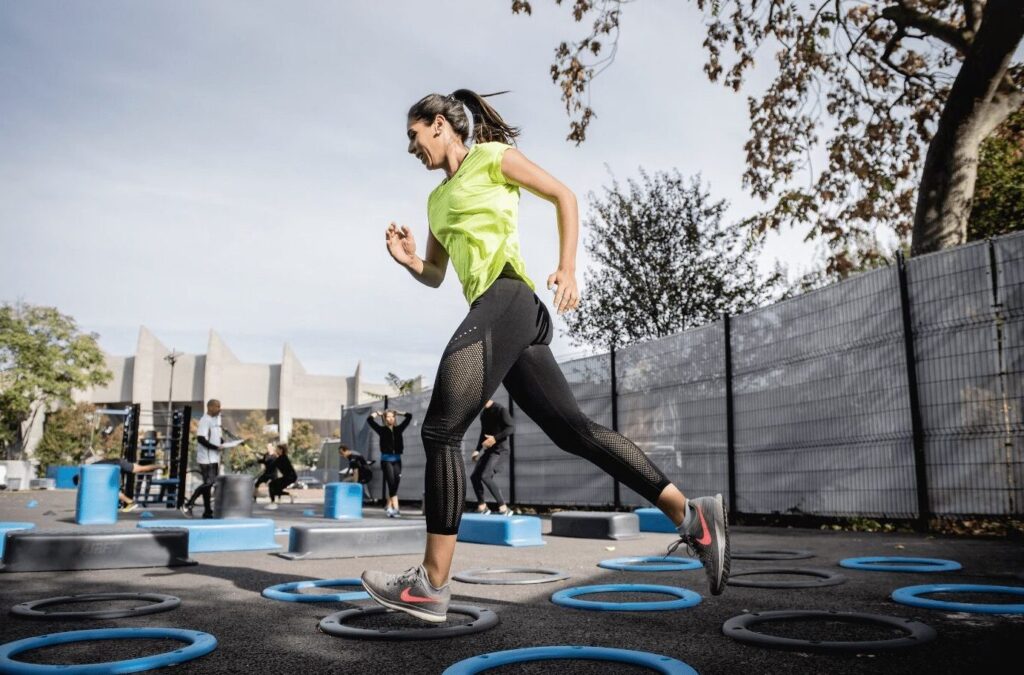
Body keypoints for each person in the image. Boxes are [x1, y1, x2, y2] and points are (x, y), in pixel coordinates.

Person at [360, 89, 730, 623]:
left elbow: (564, 196)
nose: (411, 147)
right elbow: (439, 274)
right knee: (572, 430)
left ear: (439, 125)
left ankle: (430, 584)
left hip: (509, 297)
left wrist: (568, 266)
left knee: (440, 431)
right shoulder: (436, 202)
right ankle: (692, 515)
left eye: (414, 135)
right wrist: (409, 259)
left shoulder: (490, 158)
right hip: (502, 316)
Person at [181, 399, 229, 519]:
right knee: (209, 483)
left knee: (208, 485)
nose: (220, 409)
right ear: (210, 407)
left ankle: (207, 511)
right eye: (217, 406)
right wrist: (215, 447)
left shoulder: (214, 421)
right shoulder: (205, 420)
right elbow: (201, 439)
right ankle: (188, 505)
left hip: (213, 458)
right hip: (206, 458)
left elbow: (215, 437)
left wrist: (221, 442)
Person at [470, 399, 514, 515]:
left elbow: (511, 428)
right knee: (474, 476)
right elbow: (483, 433)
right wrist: (477, 450)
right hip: (489, 451)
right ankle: (482, 506)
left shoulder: (500, 410)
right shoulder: (484, 413)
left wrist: (494, 438)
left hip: (500, 451)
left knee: (485, 476)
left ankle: (504, 508)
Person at [366, 409, 412, 517]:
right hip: (386, 461)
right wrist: (377, 414)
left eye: (392, 416)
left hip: (397, 460)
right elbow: (369, 420)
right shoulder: (381, 430)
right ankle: (396, 509)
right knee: (391, 484)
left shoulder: (399, 429)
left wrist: (399, 412)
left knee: (395, 484)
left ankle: (388, 506)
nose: (390, 418)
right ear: (384, 418)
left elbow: (409, 416)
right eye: (388, 417)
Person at [79, 454, 164, 512]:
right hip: (118, 464)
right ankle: (160, 466)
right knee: (141, 468)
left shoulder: (89, 472)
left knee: (141, 469)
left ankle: (131, 502)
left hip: (119, 465)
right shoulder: (89, 468)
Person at [265, 442, 297, 510]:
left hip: (290, 477)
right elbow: (273, 465)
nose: (276, 451)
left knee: (272, 485)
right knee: (275, 488)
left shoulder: (283, 458)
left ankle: (273, 503)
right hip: (289, 477)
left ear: (281, 450)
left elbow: (273, 465)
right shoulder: (281, 458)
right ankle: (290, 495)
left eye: (277, 449)